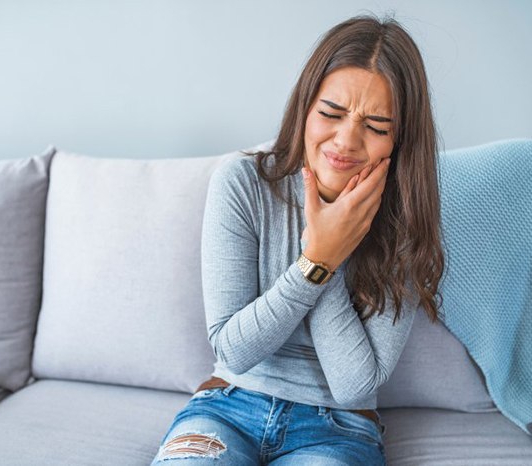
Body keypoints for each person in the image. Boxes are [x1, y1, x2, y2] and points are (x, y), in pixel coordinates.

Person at [152, 14, 444, 466]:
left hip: (340, 429)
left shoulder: (405, 218)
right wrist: (317, 259)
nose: (346, 140)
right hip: (227, 407)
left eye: (376, 126)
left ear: (399, 141)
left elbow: (355, 387)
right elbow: (233, 349)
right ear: (305, 108)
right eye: (331, 113)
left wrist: (332, 246)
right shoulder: (242, 183)